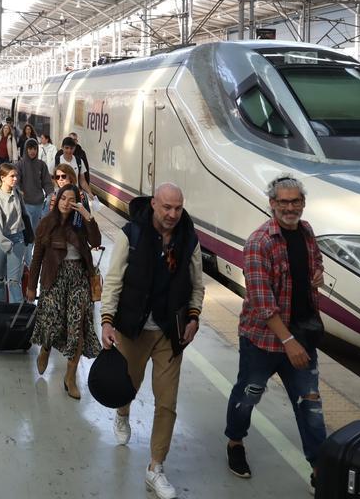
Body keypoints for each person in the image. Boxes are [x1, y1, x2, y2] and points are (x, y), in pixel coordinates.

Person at [99, 183, 204, 499]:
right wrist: (106, 320)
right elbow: (114, 280)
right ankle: (122, 413)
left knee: (167, 401)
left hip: (169, 331)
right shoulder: (131, 235)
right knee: (128, 385)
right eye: (166, 207)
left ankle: (155, 468)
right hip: (132, 327)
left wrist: (194, 316)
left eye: (178, 208)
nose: (173, 214)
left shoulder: (189, 240)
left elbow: (197, 284)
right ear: (154, 205)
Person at [224, 175, 326, 490]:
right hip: (263, 342)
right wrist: (289, 342)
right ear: (272, 204)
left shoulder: (307, 232)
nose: (290, 207)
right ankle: (235, 442)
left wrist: (316, 275)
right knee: (249, 395)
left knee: (310, 404)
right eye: (283, 201)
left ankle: (321, 469)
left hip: (303, 336)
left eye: (295, 201)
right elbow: (263, 304)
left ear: (303, 204)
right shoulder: (260, 243)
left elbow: (316, 261)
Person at [27, 184, 103, 401]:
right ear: (57, 200)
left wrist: (87, 216)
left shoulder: (80, 224)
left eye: (71, 199)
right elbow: (36, 258)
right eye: (63, 198)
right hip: (54, 278)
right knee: (52, 322)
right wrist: (32, 286)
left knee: (77, 327)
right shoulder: (46, 224)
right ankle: (46, 347)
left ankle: (70, 377)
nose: (66, 203)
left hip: (78, 278)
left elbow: (96, 242)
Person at [0, 163, 27, 304]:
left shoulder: (16, 192)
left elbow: (24, 215)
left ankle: (19, 315)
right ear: (3, 178)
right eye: (12, 176)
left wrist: (28, 236)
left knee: (14, 281)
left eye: (16, 176)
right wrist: (7, 245)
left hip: (17, 239)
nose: (15, 179)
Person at [15, 138, 54, 241]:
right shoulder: (20, 165)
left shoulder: (41, 165)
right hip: (25, 204)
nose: (32, 151)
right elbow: (16, 182)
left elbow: (47, 182)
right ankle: (27, 256)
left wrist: (51, 194)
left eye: (35, 149)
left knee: (36, 232)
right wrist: (19, 191)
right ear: (26, 149)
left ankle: (33, 255)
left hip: (39, 204)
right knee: (27, 232)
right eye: (30, 148)